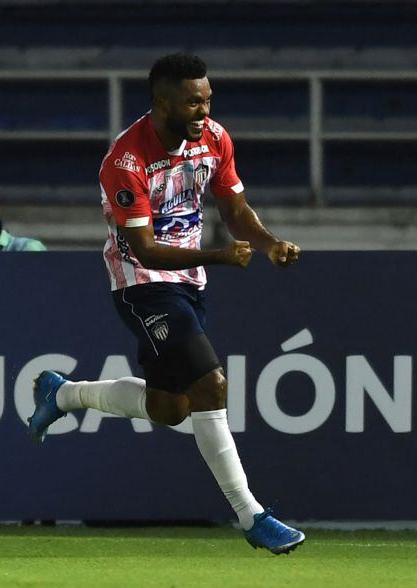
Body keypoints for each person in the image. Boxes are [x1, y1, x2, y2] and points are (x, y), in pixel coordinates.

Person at [27, 53, 305, 555]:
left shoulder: (215, 139)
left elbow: (235, 206)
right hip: (142, 284)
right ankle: (253, 517)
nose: (204, 111)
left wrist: (267, 242)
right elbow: (144, 248)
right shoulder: (125, 162)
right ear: (162, 104)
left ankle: (63, 395)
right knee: (210, 384)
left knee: (169, 408)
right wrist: (220, 255)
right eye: (193, 102)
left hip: (188, 283)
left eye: (207, 100)